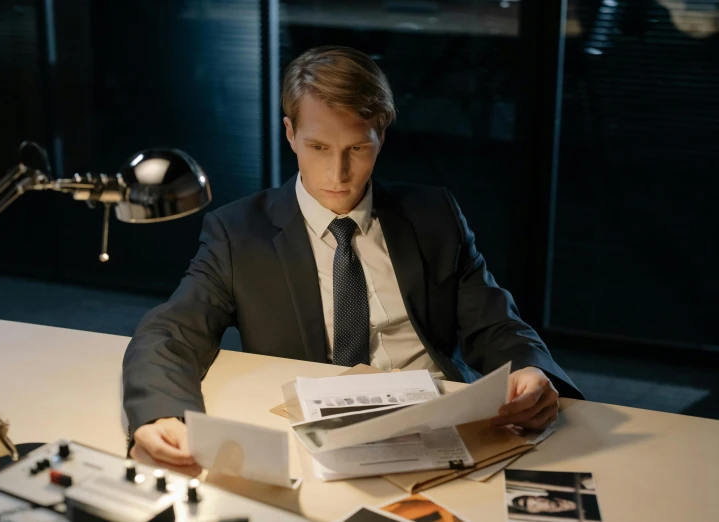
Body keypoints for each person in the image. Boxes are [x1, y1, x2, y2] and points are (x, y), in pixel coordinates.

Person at [122, 46, 583, 475]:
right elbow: (171, 332)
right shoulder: (238, 233)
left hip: (439, 423)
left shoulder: (434, 215)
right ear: (290, 134)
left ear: (380, 136)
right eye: (318, 147)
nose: (337, 174)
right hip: (310, 439)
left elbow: (496, 324)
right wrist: (161, 414)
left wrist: (532, 371)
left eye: (357, 149)